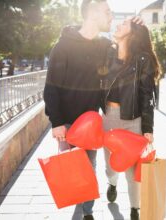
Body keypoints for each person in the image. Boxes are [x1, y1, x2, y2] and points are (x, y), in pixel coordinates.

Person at [43, 1, 113, 219]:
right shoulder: (63, 46)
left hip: (90, 122)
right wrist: (56, 122)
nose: (111, 16)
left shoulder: (104, 46)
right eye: (107, 12)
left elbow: (125, 57)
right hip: (66, 123)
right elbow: (51, 86)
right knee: (72, 170)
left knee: (89, 168)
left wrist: (136, 28)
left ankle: (87, 212)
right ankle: (80, 205)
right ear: (92, 13)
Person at [101, 19, 160, 220]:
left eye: (124, 24)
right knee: (111, 167)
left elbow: (147, 96)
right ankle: (112, 183)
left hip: (133, 120)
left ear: (133, 33)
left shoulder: (143, 60)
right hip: (109, 118)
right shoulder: (107, 53)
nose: (117, 25)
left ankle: (135, 209)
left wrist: (147, 128)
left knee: (133, 172)